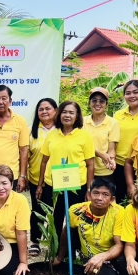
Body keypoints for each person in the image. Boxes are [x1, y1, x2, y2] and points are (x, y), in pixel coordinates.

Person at [53, 178, 133, 275]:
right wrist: (60, 258)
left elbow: (119, 245)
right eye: (96, 193)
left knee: (124, 262)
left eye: (105, 194)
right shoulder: (76, 210)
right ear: (89, 195)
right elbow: (66, 234)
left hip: (113, 255)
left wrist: (102, 257)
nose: (99, 198)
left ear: (112, 199)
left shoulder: (119, 213)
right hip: (89, 257)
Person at [36, 101, 95, 240]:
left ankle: (72, 252)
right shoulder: (52, 135)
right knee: (55, 218)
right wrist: (40, 185)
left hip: (76, 185)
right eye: (64, 112)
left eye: (71, 112)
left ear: (77, 116)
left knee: (74, 219)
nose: (67, 115)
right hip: (53, 184)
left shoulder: (85, 136)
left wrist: (89, 189)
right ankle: (55, 252)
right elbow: (44, 161)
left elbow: (90, 165)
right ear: (59, 114)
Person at [27, 98, 57, 256]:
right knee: (37, 211)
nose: (44, 112)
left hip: (57, 179)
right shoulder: (32, 131)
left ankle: (54, 242)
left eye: (48, 108)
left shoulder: (62, 130)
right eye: (41, 109)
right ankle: (35, 241)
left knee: (57, 212)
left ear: (55, 111)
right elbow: (26, 155)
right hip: (36, 178)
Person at [113, 80, 138, 202]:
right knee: (118, 201)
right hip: (118, 164)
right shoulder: (118, 115)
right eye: (128, 93)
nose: (132, 96)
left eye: (136, 92)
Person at [83, 87, 120, 181]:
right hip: (84, 168)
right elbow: (82, 146)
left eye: (102, 101)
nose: (98, 104)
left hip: (104, 170)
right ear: (89, 103)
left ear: (106, 105)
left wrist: (111, 160)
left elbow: (112, 148)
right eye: (94, 100)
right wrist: (100, 154)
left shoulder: (113, 123)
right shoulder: (82, 122)